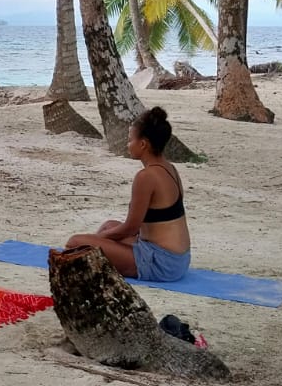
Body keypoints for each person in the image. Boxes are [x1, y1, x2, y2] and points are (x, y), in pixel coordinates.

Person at [65, 104, 191, 282]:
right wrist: (106, 239)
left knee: (75, 243)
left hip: (162, 263)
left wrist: (98, 238)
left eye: (130, 140)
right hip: (178, 259)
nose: (127, 144)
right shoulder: (170, 169)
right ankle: (100, 253)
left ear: (143, 144)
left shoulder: (146, 176)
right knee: (109, 225)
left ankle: (95, 257)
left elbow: (131, 227)